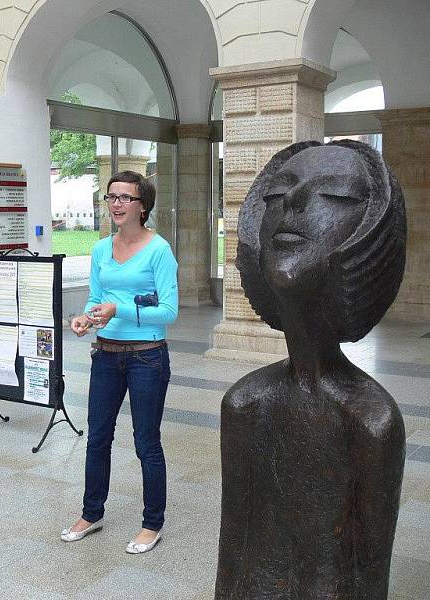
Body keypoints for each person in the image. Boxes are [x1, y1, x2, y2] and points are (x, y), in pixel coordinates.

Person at [215, 140, 406, 598]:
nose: (295, 205)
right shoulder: (246, 403)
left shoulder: (369, 420)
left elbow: (368, 576)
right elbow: (233, 560)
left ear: (370, 235)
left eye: (333, 196)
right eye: (277, 196)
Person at [62, 170, 178, 554]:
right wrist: (87, 317)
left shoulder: (159, 250)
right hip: (106, 356)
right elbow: (97, 298)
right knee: (97, 438)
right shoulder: (100, 249)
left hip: (147, 357)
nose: (116, 203)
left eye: (125, 198)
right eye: (111, 196)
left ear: (142, 206)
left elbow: (168, 310)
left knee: (146, 442)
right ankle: (91, 512)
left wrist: (120, 309)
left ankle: (152, 522)